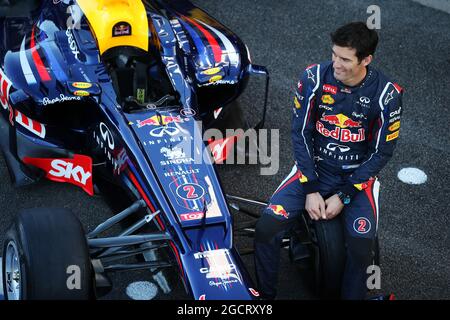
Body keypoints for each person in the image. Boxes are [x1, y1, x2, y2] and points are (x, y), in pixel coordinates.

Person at [254, 21, 403, 300]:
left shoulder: (387, 95)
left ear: (366, 60)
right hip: (314, 171)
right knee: (266, 229)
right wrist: (310, 188)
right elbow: (300, 134)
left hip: (356, 180)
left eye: (345, 59)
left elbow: (381, 152)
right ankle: (263, 299)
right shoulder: (313, 78)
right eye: (334, 54)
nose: (336, 63)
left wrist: (345, 196)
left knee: (361, 248)